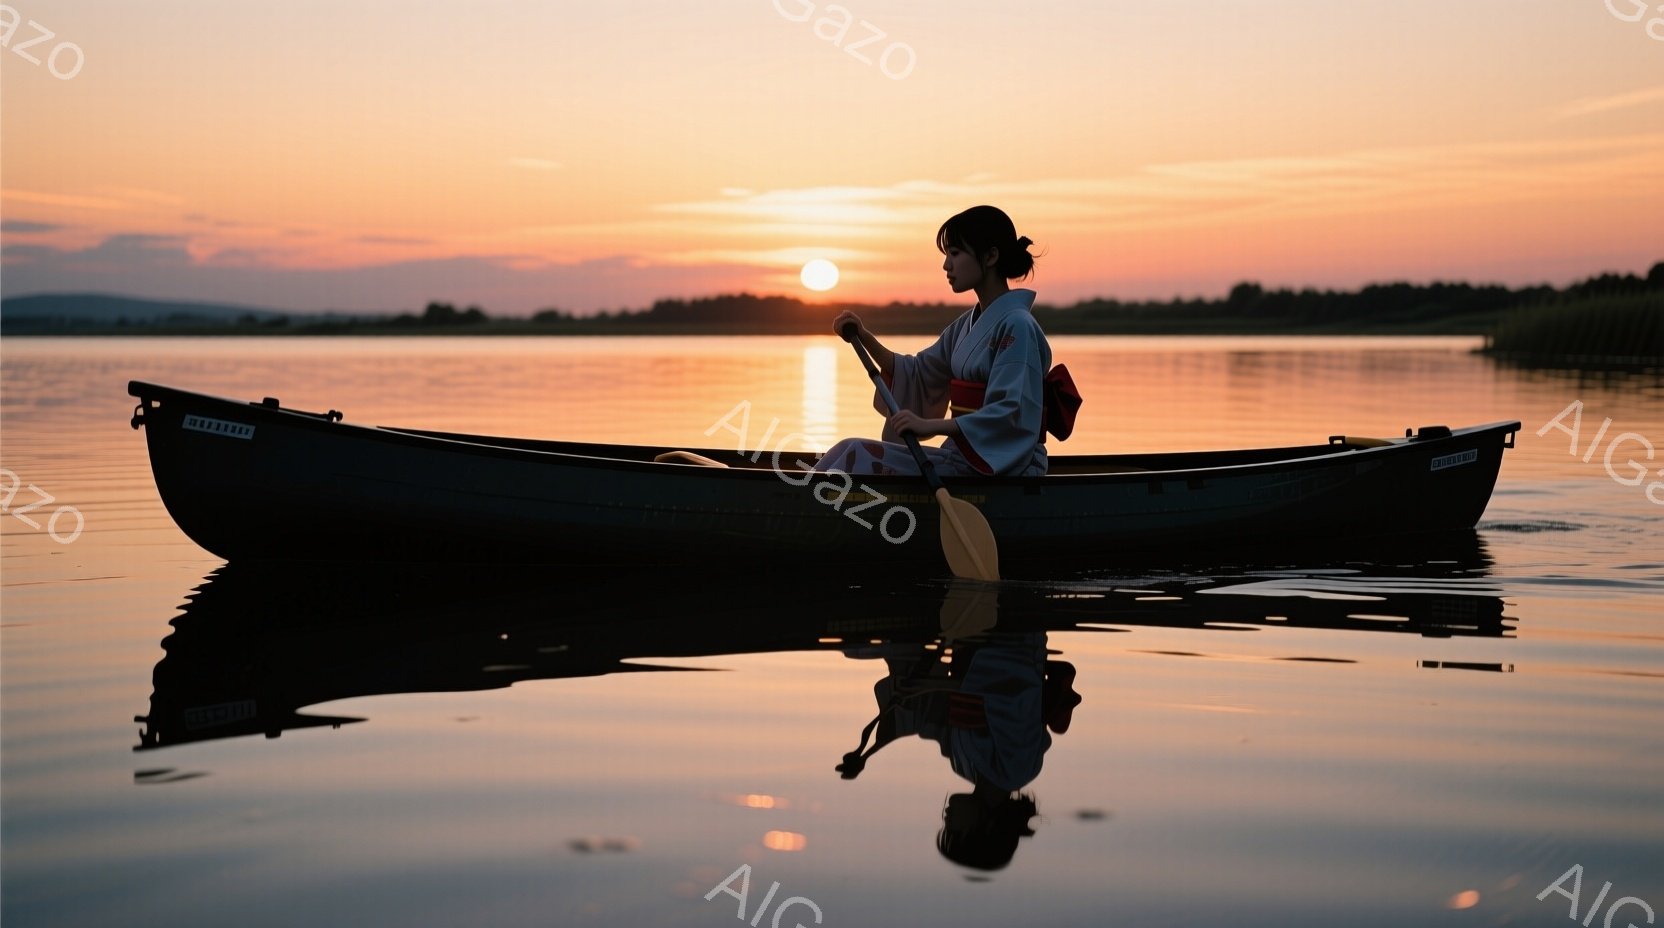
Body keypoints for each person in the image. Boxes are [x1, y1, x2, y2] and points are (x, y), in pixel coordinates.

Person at [814, 205, 1076, 478]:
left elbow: (1010, 413)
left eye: (955, 253)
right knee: (847, 451)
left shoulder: (1018, 326)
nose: (946, 264)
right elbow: (917, 373)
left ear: (990, 257)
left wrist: (931, 426)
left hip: (1006, 466)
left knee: (858, 455)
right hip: (963, 457)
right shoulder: (965, 325)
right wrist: (863, 336)